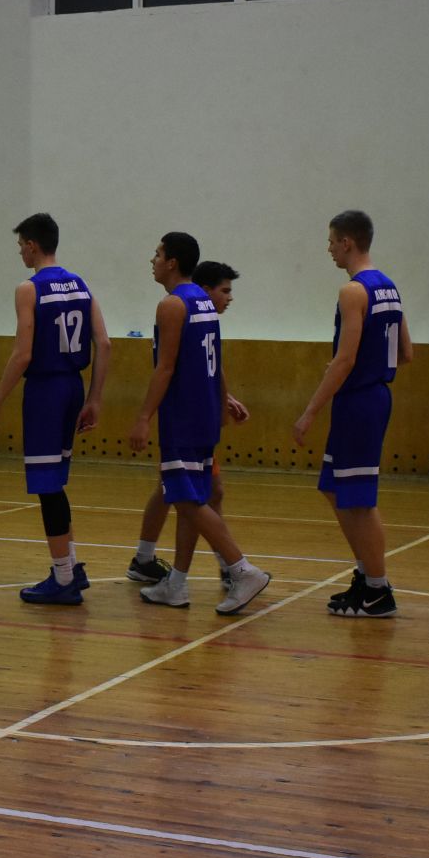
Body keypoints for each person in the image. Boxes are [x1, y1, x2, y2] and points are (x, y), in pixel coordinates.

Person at [128, 232, 270, 615]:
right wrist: (223, 399)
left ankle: (241, 569)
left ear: (172, 262)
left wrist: (143, 417)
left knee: (186, 499)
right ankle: (176, 584)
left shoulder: (173, 305)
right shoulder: (203, 303)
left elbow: (166, 368)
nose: (153, 260)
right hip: (204, 412)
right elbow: (214, 360)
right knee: (191, 497)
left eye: (157, 253)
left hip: (184, 414)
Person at [0, 213, 111, 605]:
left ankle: (63, 577)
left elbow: (22, 354)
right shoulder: (80, 285)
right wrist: (94, 398)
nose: (20, 252)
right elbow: (104, 344)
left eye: (21, 245)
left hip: (45, 390)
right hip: (73, 387)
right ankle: (69, 567)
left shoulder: (29, 288)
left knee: (47, 486)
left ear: (32, 245)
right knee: (55, 482)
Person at [292, 210, 412, 618]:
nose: (328, 249)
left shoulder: (353, 291)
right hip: (373, 396)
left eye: (331, 241)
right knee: (333, 487)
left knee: (359, 499)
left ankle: (378, 590)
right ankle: (366, 574)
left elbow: (344, 361)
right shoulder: (389, 288)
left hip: (358, 400)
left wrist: (309, 412)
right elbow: (406, 353)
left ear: (347, 242)